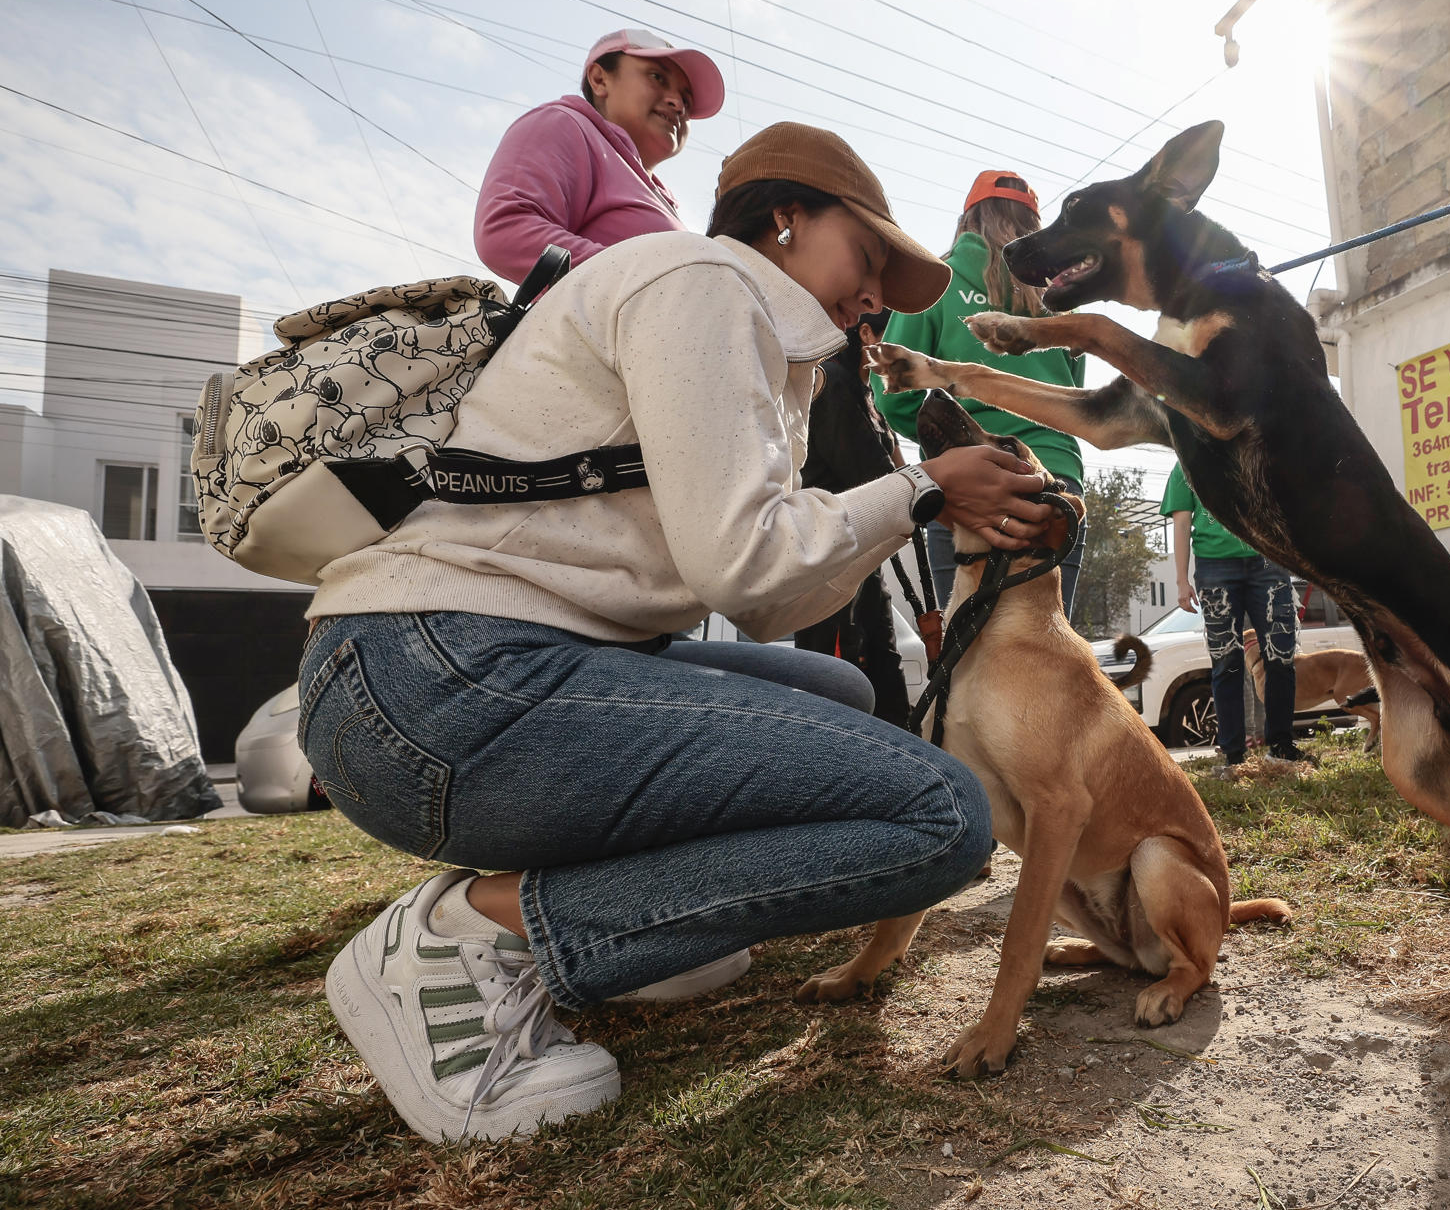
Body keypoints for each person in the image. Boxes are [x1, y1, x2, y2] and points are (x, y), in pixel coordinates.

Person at [301, 123, 1050, 1142]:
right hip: (432, 681)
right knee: (942, 818)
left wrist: (912, 506)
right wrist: (920, 488)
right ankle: (473, 938)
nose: (874, 294)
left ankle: (644, 924)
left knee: (841, 696)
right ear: (784, 215)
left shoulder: (762, 341)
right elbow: (744, 564)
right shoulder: (703, 283)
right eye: (866, 256)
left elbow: (771, 603)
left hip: (468, 668)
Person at [872, 171, 1087, 615]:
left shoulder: (938, 280)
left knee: (966, 649)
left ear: (969, 217)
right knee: (1045, 647)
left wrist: (950, 441)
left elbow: (892, 390)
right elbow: (1072, 396)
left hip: (967, 478)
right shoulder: (1060, 295)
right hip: (1054, 477)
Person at [473, 28, 725, 282]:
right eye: (657, 77)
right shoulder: (565, 123)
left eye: (686, 99)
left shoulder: (658, 196)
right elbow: (505, 231)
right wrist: (644, 281)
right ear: (599, 79)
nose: (678, 103)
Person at [795, 310, 916, 730]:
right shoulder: (833, 384)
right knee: (845, 690)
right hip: (830, 566)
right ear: (866, 333)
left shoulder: (866, 396)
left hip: (859, 562)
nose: (909, 353)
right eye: (899, 339)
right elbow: (877, 478)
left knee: (884, 669)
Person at [1162, 462, 1302, 766]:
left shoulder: (1256, 449)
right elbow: (1183, 521)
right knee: (1226, 661)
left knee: (1280, 655)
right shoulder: (1187, 461)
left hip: (1268, 560)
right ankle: (1233, 753)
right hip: (1215, 567)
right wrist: (1182, 580)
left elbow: (1287, 506)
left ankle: (1281, 746)